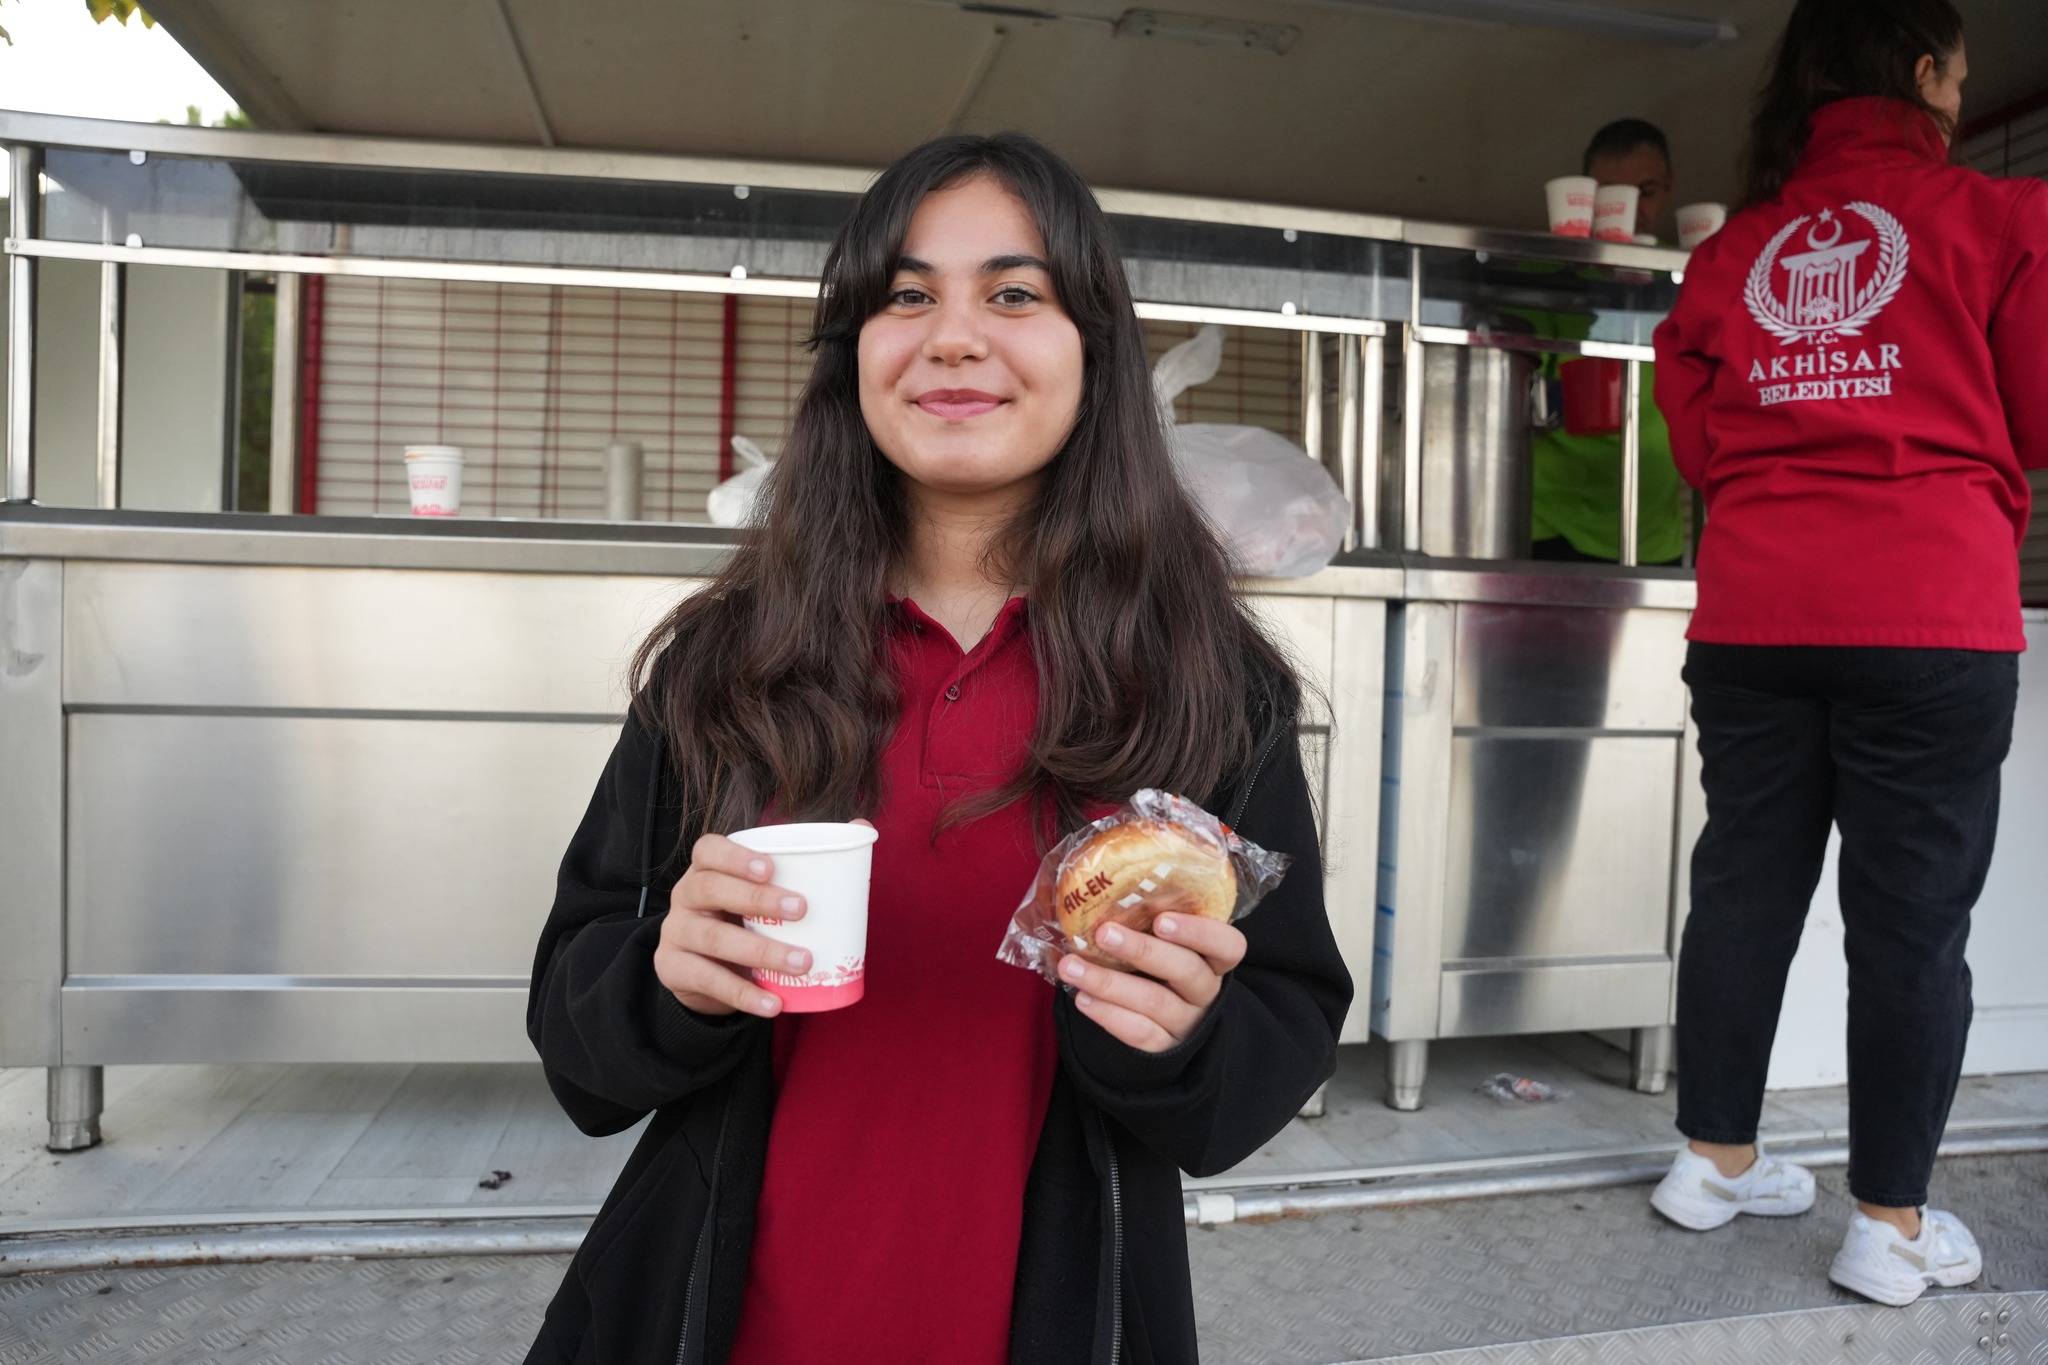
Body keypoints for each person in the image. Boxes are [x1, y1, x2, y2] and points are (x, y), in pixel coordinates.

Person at [523, 132, 1350, 1365]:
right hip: (719, 1315)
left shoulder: (1206, 687)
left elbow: (1264, 1049)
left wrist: (1181, 1034)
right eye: (906, 295)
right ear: (854, 351)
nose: (952, 335)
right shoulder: (725, 665)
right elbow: (575, 1022)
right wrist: (667, 982)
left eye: (1013, 293)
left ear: (1094, 353)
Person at [1649, 0, 2047, 1307]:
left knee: (1746, 885)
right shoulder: (2002, 223)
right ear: (1927, 75)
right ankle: (1890, 1224)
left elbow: (1701, 441)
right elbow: (2036, 417)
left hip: (1757, 607)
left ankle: (1709, 1162)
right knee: (1911, 921)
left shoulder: (1735, 251)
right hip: (1929, 608)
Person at [1526, 119, 1687, 566]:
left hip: (1653, 534)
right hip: (1552, 524)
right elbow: (1511, 386)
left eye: (1646, 193)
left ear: (1669, 187)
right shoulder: (1545, 276)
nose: (1630, 213)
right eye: (1612, 197)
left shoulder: (1685, 277)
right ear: (1585, 195)